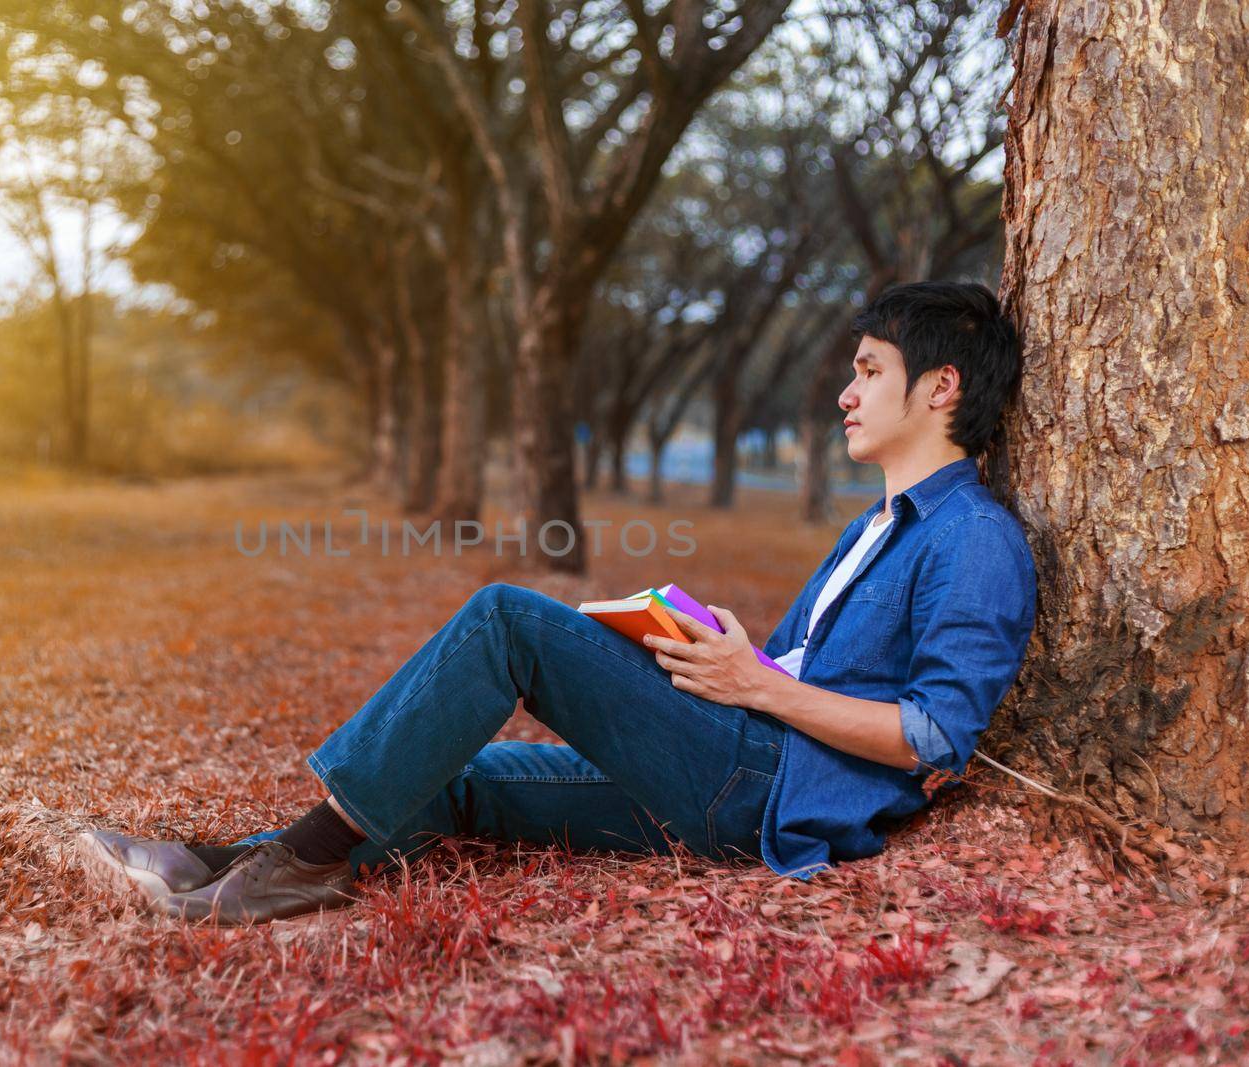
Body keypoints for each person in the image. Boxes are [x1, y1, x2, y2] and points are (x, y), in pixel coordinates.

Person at [78, 281, 1037, 926]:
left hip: (769, 791)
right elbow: (798, 670)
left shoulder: (974, 538)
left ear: (940, 387)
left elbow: (934, 735)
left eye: (869, 370)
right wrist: (708, 653)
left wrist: (760, 687)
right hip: (732, 757)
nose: (844, 392)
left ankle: (289, 875)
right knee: (461, 772)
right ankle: (220, 862)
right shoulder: (881, 521)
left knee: (508, 620)